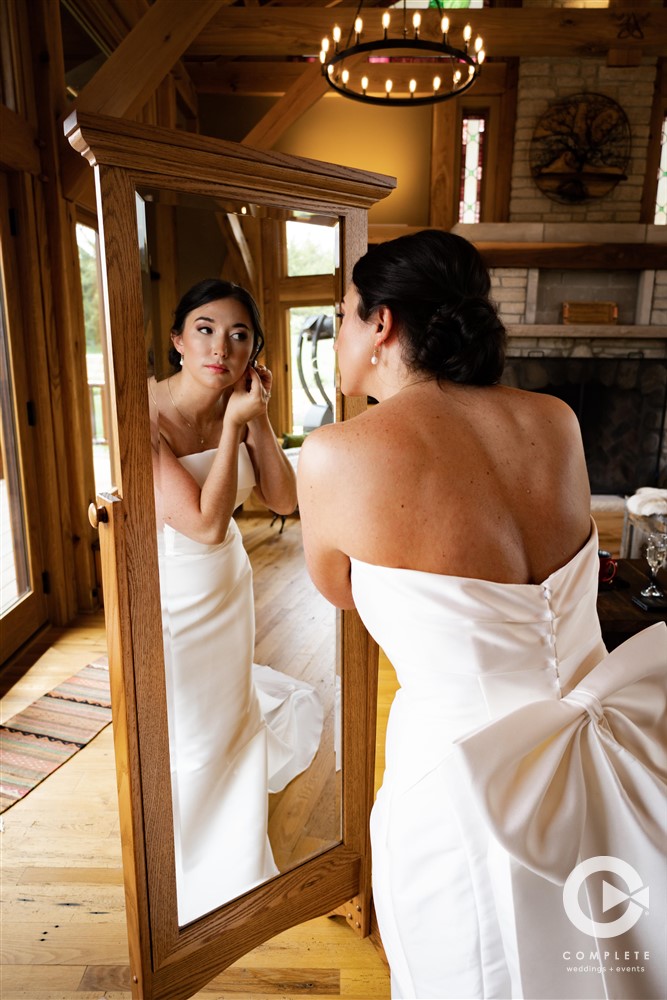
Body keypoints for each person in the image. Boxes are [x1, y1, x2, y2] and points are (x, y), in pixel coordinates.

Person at [297, 231, 666, 1000]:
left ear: (383, 323)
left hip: (461, 773)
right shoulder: (554, 419)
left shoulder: (335, 452)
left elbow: (340, 590)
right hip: (611, 750)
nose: (340, 336)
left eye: (343, 316)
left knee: (471, 969)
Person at [148, 278, 323, 926]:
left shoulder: (241, 403)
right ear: (176, 339)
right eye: (204, 328)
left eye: (239, 334)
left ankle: (223, 795)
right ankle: (186, 840)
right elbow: (200, 524)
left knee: (224, 714)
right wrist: (229, 428)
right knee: (190, 724)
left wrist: (260, 420)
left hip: (227, 586)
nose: (220, 345)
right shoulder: (141, 413)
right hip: (169, 595)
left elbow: (282, 499)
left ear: (253, 350)